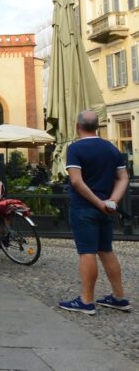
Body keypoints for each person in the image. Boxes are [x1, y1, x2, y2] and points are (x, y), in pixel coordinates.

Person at [58, 110, 131, 315]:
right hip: (106, 209)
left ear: (77, 127)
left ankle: (86, 300)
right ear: (97, 126)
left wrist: (98, 203)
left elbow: (76, 181)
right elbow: (123, 177)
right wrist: (112, 201)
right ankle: (119, 297)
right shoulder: (111, 148)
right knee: (106, 250)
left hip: (84, 207)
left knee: (87, 252)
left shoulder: (75, 148)